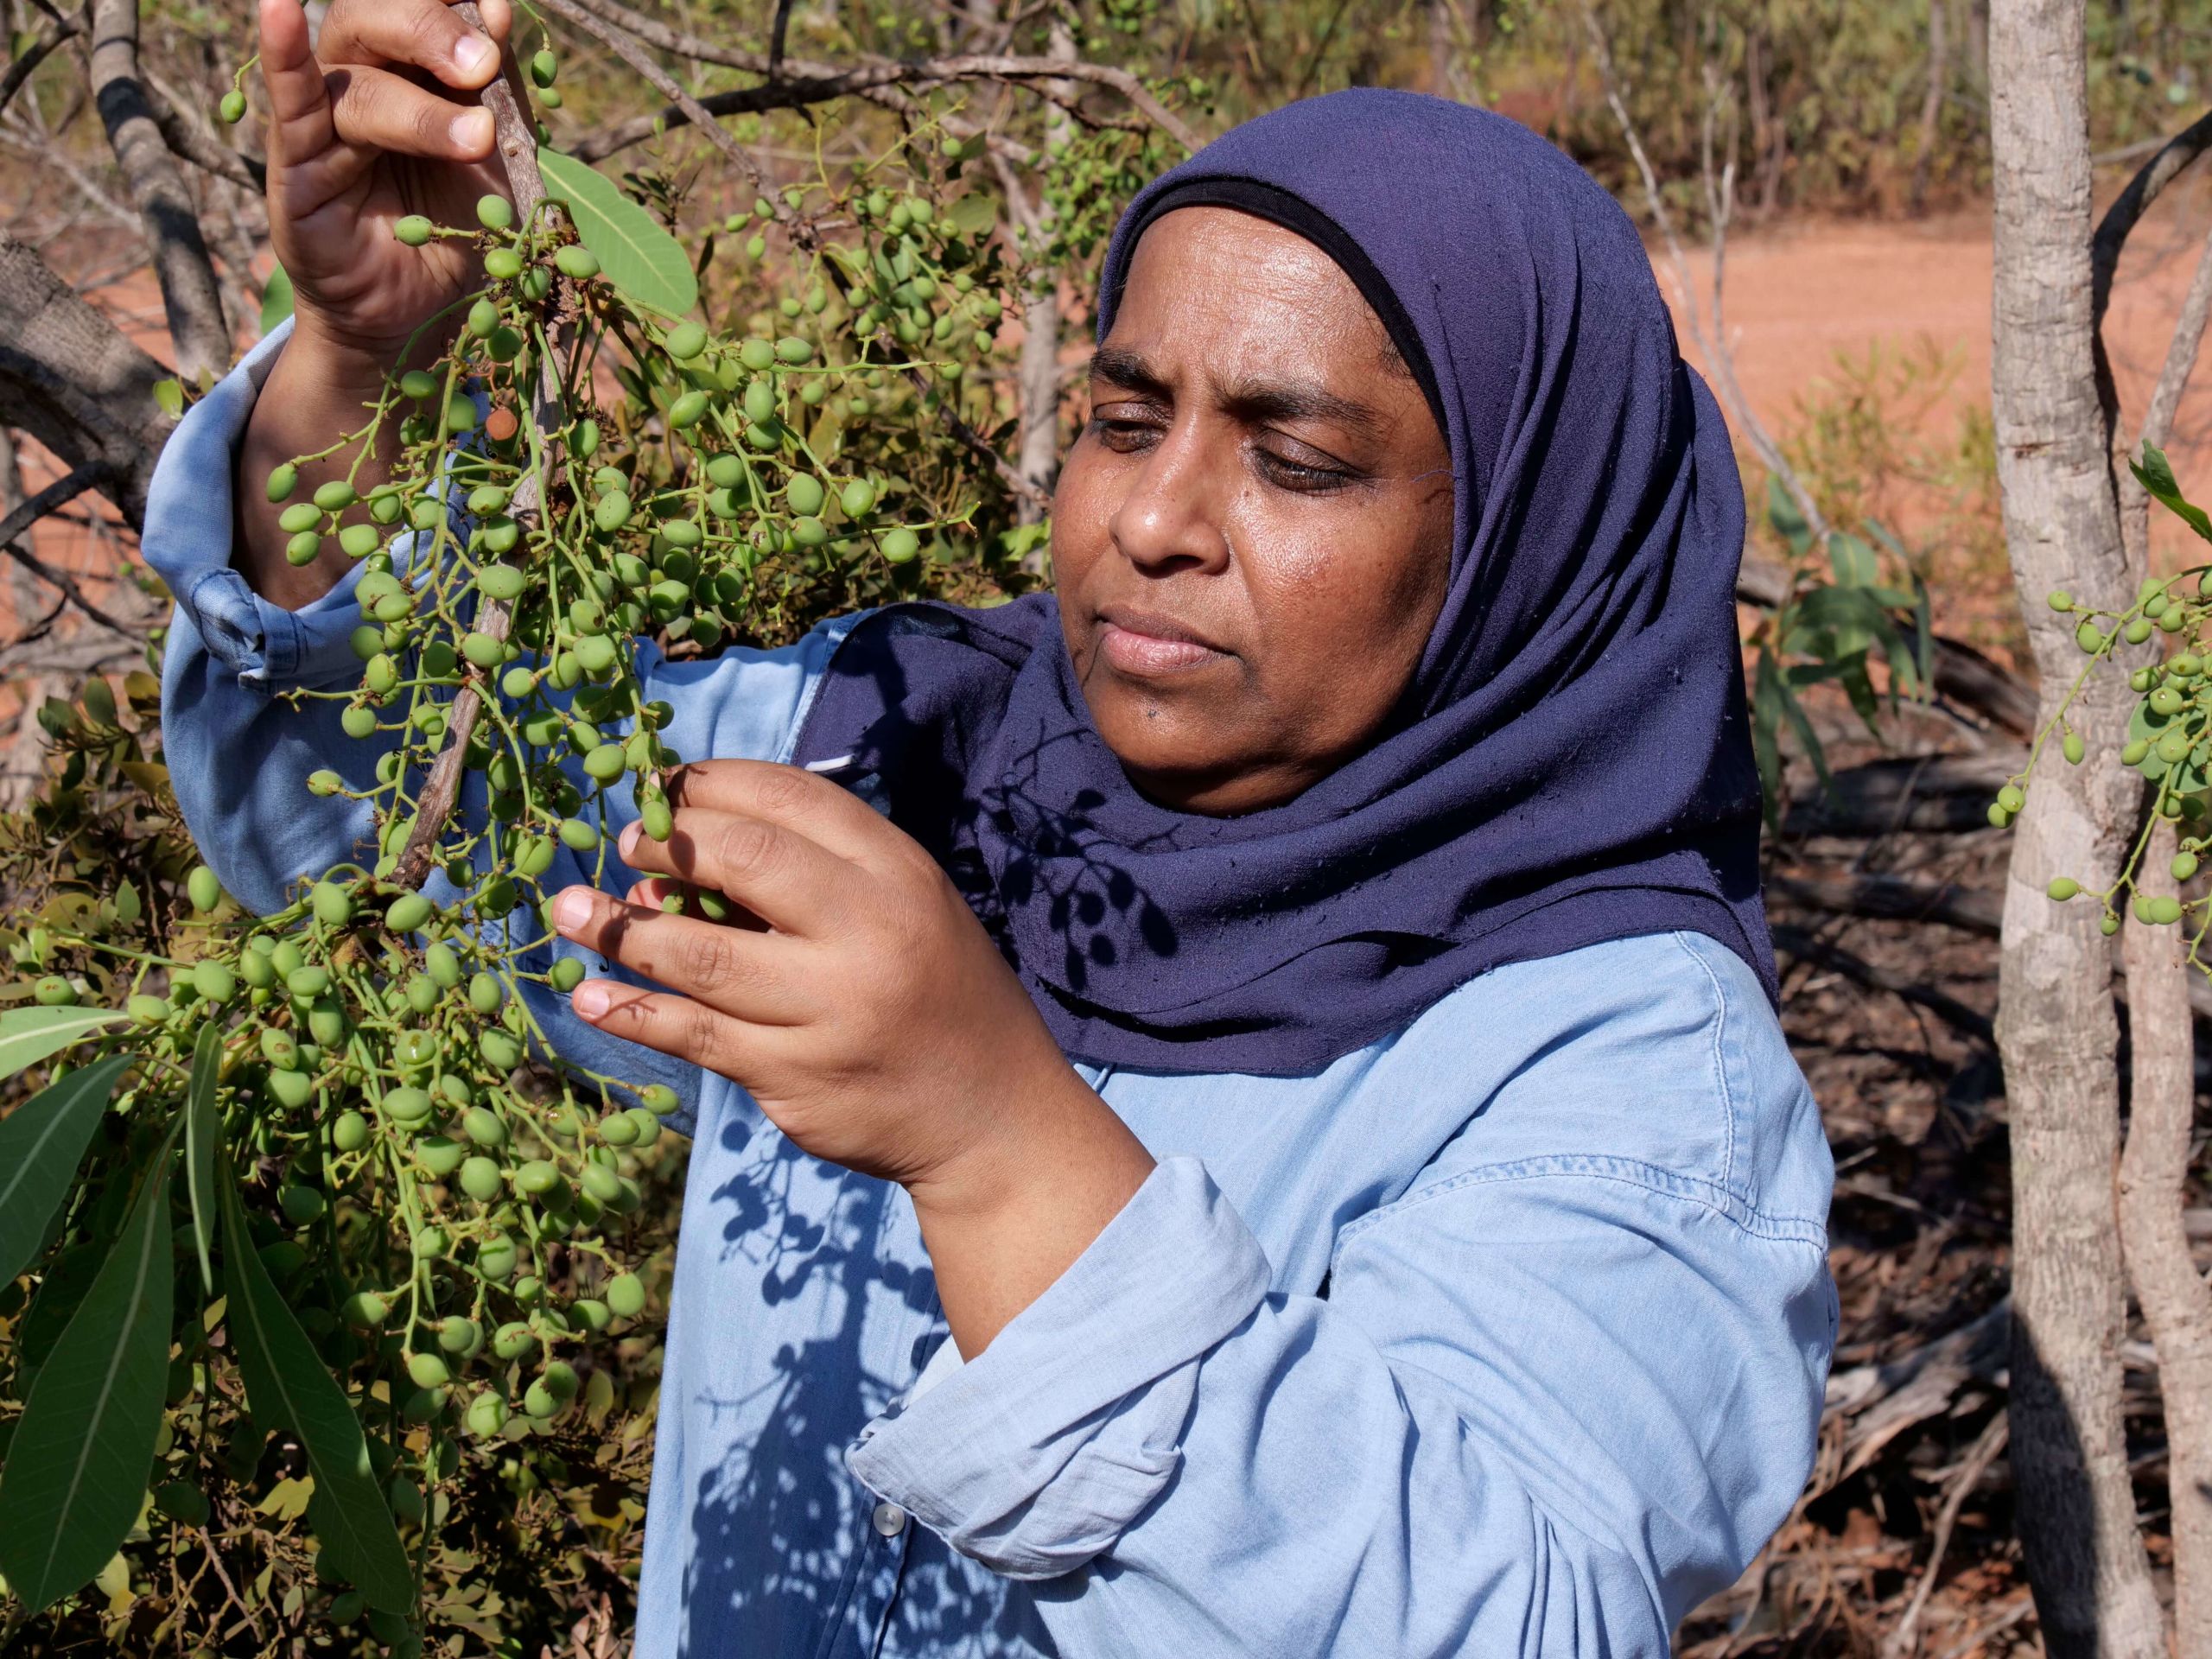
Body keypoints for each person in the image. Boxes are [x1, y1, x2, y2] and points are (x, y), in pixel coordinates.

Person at [145, 0, 1837, 1647]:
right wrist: (368, 371)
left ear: (1530, 540)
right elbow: (379, 829)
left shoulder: (1610, 1057)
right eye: (1119, 417)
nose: (1155, 518)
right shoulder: (895, 751)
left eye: (1295, 459)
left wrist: (994, 1144)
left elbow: (1507, 1615)